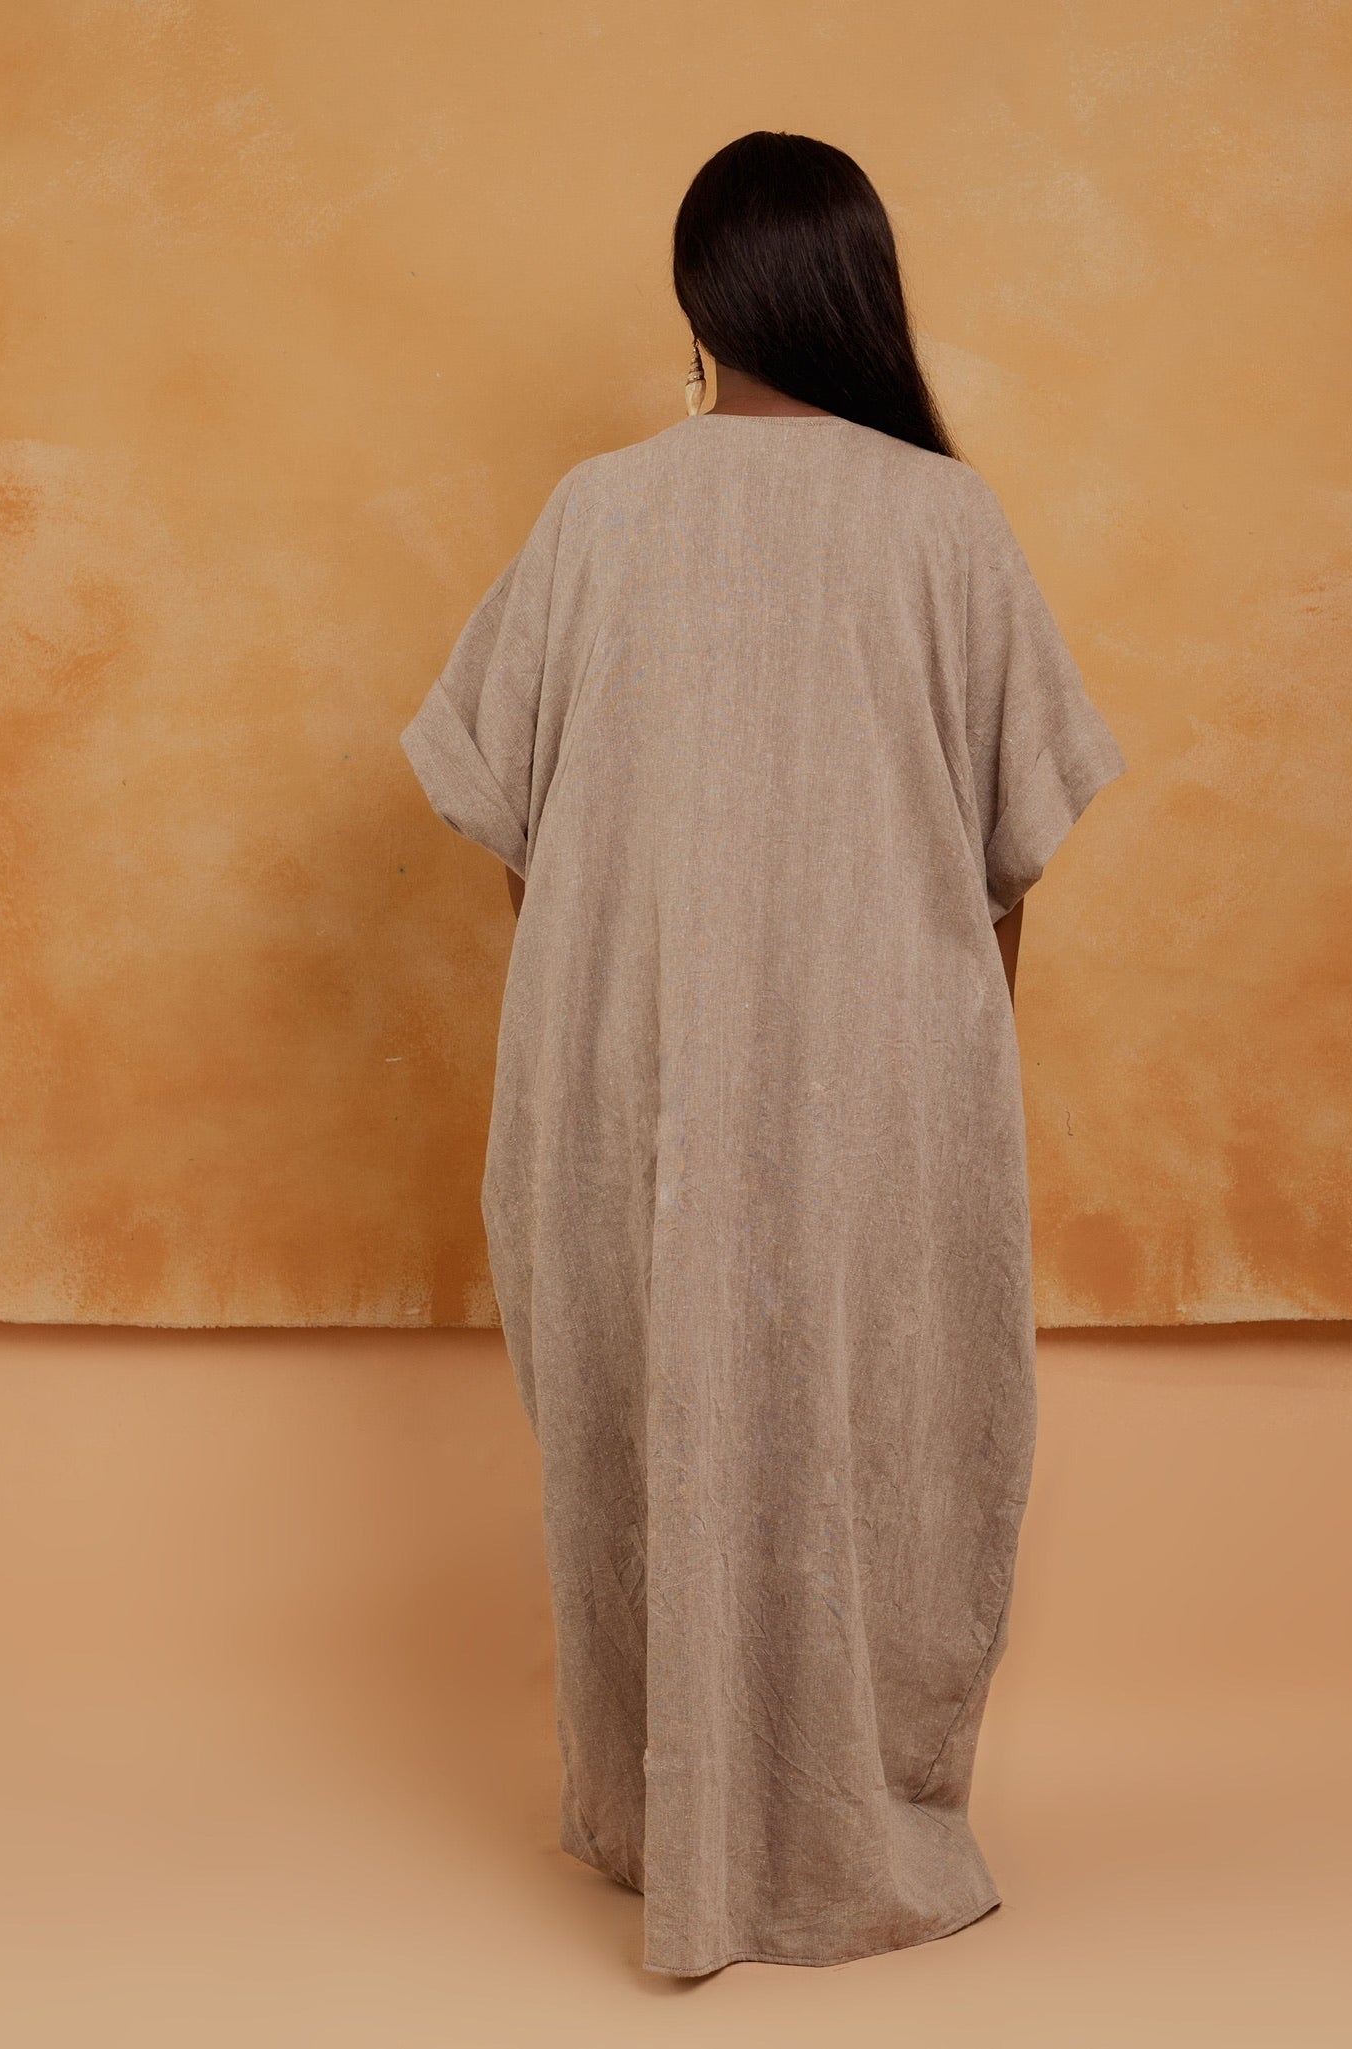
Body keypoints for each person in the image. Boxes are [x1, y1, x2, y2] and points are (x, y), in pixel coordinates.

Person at [399, 129, 1127, 1978]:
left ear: (699, 303)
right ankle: (850, 1827)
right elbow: (1009, 852)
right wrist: (946, 1059)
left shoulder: (596, 513)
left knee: (656, 1416)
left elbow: (508, 814)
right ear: (855, 291)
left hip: (621, 1068)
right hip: (887, 1070)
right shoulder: (943, 521)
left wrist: (611, 1004)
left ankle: (666, 1824)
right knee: (874, 1427)